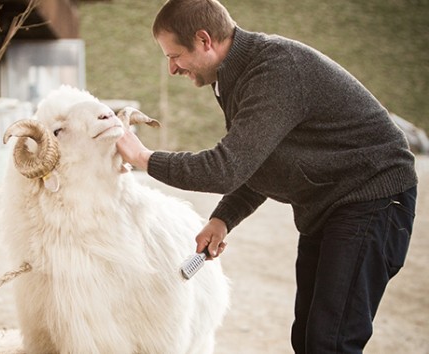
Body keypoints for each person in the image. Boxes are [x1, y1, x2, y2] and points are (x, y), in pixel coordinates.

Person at [115, 0, 418, 353]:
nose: (172, 68)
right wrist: (224, 218)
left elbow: (225, 167)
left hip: (372, 199)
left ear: (204, 40)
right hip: (330, 206)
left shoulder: (274, 70)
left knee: (330, 341)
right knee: (306, 338)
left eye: (175, 55)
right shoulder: (232, 77)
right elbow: (261, 160)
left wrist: (143, 157)